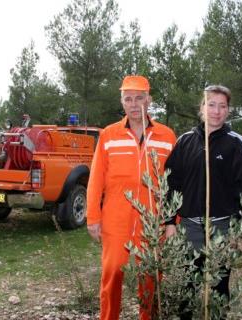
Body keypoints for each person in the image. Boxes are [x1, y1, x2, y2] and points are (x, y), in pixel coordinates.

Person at [86, 75, 176, 320]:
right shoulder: (108, 135)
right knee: (112, 273)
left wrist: (172, 222)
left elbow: (175, 183)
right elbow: (96, 179)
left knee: (150, 277)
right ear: (122, 102)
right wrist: (93, 216)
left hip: (152, 221)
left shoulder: (167, 136)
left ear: (149, 100)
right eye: (128, 99)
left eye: (140, 98)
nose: (134, 104)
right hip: (116, 219)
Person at [164, 85, 242, 318]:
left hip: (222, 227)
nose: (216, 111)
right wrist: (169, 223)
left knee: (218, 286)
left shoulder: (237, 143)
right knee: (187, 287)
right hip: (189, 226)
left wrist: (241, 232)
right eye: (211, 104)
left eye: (222, 106)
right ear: (202, 108)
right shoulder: (185, 141)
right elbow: (170, 183)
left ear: (228, 110)